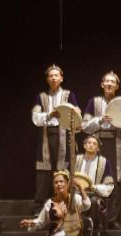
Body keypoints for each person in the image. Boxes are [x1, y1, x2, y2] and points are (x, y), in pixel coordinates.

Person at [82, 71, 121, 229]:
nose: (109, 84)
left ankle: (113, 220)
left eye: (112, 82)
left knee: (115, 181)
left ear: (117, 86)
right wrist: (100, 120)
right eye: (107, 81)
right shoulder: (93, 102)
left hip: (116, 144)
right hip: (98, 143)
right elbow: (85, 126)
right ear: (102, 84)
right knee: (98, 177)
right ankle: (96, 218)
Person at [32, 65, 78, 210]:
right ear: (47, 79)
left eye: (56, 75)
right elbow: (35, 117)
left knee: (63, 171)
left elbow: (77, 113)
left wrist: (67, 116)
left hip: (64, 136)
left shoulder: (69, 95)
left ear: (61, 78)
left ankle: (65, 206)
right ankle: (39, 208)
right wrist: (49, 115)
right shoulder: (41, 97)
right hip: (46, 136)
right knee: (44, 172)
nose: (53, 78)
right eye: (51, 76)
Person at [73, 135, 115, 233]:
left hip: (94, 194)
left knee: (94, 201)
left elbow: (109, 185)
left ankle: (90, 231)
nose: (91, 145)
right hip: (77, 193)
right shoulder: (76, 159)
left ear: (98, 148)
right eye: (89, 143)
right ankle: (74, 229)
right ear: (84, 146)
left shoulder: (104, 162)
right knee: (73, 200)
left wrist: (94, 187)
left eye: (94, 144)